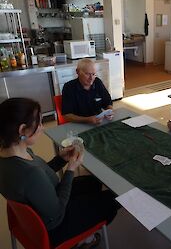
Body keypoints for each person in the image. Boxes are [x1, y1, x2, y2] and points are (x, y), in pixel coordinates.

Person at [0, 98, 119, 248]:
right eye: (39, 123)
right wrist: (70, 169)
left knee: (92, 182)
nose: (42, 128)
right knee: (111, 200)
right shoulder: (29, 173)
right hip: (55, 225)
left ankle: (86, 233)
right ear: (22, 130)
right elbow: (58, 211)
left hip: (36, 210)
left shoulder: (11, 153)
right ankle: (82, 241)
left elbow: (40, 176)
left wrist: (61, 159)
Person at [62, 58, 113, 124]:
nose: (91, 78)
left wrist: (110, 112)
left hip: (97, 122)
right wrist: (87, 120)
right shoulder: (69, 87)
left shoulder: (97, 82)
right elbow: (67, 115)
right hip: (78, 124)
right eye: (87, 74)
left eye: (93, 74)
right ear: (77, 72)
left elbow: (108, 102)